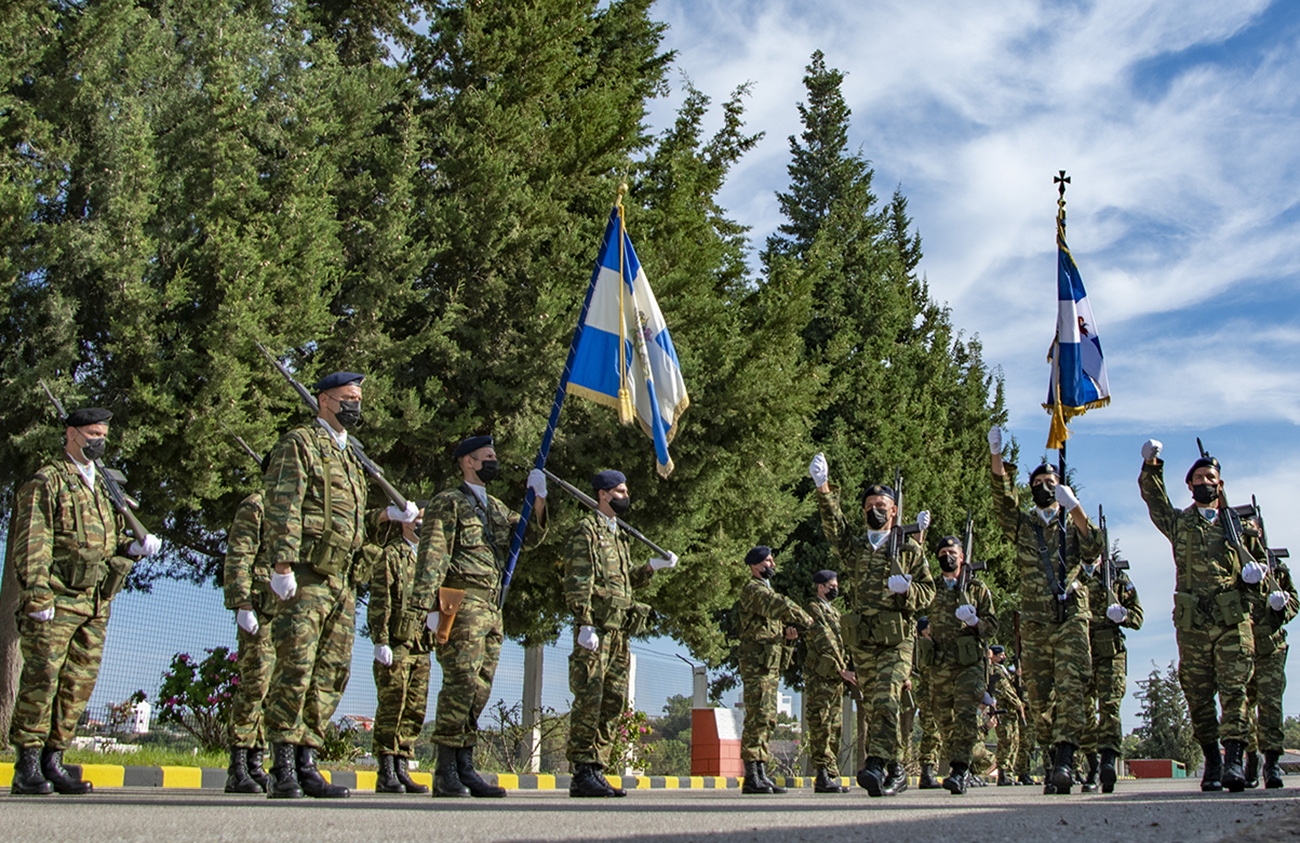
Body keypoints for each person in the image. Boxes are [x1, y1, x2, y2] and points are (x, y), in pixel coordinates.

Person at [261, 371, 418, 799]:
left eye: (359, 398)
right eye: (349, 397)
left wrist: (389, 518)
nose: (356, 405)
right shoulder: (301, 443)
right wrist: (282, 565)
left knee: (331, 673)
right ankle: (282, 766)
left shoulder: (351, 457)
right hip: (309, 575)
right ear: (325, 400)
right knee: (295, 667)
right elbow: (285, 507)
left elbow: (359, 527)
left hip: (343, 581)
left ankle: (307, 758)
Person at [8, 407, 162, 795]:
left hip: (95, 602)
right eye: (93, 433)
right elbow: (33, 540)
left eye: (104, 436)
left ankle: (54, 759)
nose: (99, 441)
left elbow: (106, 544)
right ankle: (26, 761)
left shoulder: (104, 486)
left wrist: (134, 546)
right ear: (72, 434)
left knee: (78, 684)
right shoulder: (48, 481)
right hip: (57, 598)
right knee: (42, 678)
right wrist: (37, 593)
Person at [411, 435, 547, 798]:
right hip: (462, 600)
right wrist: (427, 606)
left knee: (481, 687)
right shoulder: (449, 503)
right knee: (460, 684)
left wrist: (539, 499)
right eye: (487, 457)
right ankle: (444, 769)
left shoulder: (496, 507)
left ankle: (464, 764)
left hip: (491, 605)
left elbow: (529, 537)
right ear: (467, 462)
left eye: (494, 456)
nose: (493, 461)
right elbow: (433, 554)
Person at [1138, 439, 1264, 792]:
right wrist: (1151, 466)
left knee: (1235, 690)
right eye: (1199, 477)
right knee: (1197, 693)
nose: (1205, 482)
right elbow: (1155, 501)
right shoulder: (1180, 523)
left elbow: (1260, 575)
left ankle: (1235, 759)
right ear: (1189, 485)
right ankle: (1213, 759)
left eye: (1211, 477)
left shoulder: (1239, 527)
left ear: (1220, 485)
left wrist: (1256, 577)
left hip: (1230, 620)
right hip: (1193, 623)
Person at [811, 453, 935, 797]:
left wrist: (908, 590)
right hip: (864, 639)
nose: (874, 509)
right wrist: (823, 488)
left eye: (882, 504)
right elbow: (835, 531)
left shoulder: (909, 549)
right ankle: (896, 769)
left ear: (894, 511)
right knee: (875, 704)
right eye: (869, 505)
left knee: (885, 699)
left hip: (897, 639)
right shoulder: (857, 548)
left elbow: (929, 593)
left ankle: (877, 764)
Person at [988, 427, 1103, 794]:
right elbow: (1003, 502)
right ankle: (1055, 758)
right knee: (1038, 697)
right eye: (1037, 481)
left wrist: (1077, 508)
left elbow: (1094, 548)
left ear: (1060, 486)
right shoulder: (1024, 524)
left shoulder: (1071, 521)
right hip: (1035, 622)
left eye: (1050, 480)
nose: (1043, 485)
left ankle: (1068, 758)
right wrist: (996, 459)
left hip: (1070, 616)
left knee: (1072, 688)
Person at [563, 470, 677, 798]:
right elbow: (578, 581)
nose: (625, 496)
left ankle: (597, 767)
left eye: (626, 490)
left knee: (613, 701)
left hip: (619, 634)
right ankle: (582, 769)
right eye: (619, 491)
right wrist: (584, 623)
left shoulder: (618, 535)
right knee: (590, 698)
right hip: (595, 631)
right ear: (602, 494)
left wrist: (653, 567)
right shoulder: (587, 531)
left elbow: (624, 582)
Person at [737, 546, 813, 794]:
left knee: (767, 719)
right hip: (756, 667)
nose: (772, 565)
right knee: (757, 717)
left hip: (769, 667)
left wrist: (789, 643)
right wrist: (806, 618)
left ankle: (760, 771)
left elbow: (774, 640)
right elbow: (779, 605)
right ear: (755, 565)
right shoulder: (753, 590)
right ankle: (751, 775)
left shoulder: (767, 592)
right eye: (768, 561)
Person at [925, 535, 997, 795]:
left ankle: (959, 769)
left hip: (969, 663)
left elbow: (992, 627)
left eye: (952, 551)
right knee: (943, 718)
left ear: (962, 557)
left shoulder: (977, 588)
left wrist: (976, 622)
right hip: (940, 662)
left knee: (966, 715)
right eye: (943, 551)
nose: (948, 555)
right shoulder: (931, 587)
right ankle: (960, 760)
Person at [370, 501, 433, 794]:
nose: (421, 524)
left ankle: (403, 764)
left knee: (415, 707)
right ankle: (386, 769)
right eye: (418, 519)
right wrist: (380, 639)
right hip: (397, 642)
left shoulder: (430, 560)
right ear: (406, 522)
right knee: (392, 704)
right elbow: (381, 599)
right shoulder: (392, 555)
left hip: (422, 643)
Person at [221, 484, 274, 794]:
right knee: (255, 683)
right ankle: (238, 765)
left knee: (274, 691)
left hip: (285, 613)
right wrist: (242, 603)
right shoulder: (257, 505)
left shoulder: (293, 507)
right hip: (259, 610)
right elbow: (239, 554)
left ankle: (256, 763)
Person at [1240, 516, 1298, 789]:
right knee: (1242, 707)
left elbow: (1294, 602)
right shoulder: (1233, 563)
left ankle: (1272, 763)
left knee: (1271, 706)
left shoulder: (1276, 567)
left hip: (1271, 646)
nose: (1250, 532)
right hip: (1240, 647)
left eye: (1253, 527)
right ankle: (1251, 758)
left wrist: (1281, 606)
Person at [1079, 554, 1143, 793]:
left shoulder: (1117, 577)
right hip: (1079, 650)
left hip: (1110, 652)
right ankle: (1092, 765)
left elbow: (1138, 617)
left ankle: (1107, 761)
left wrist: (1123, 615)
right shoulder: (1070, 572)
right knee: (1082, 710)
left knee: (1110, 707)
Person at [803, 569, 854, 793]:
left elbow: (844, 641)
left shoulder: (834, 611)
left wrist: (850, 666)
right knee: (821, 724)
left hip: (835, 679)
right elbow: (825, 639)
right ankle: (822, 774)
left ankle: (832, 773)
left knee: (835, 726)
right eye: (831, 586)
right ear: (820, 587)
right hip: (821, 676)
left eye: (836, 585)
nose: (835, 589)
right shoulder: (812, 608)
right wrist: (842, 668)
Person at [986, 645, 1025, 786]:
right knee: (1006, 741)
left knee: (1014, 742)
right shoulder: (995, 670)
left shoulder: (1004, 671)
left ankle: (1009, 773)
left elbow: (1013, 686)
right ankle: (1003, 773)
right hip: (1004, 711)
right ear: (994, 656)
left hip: (1011, 711)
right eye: (1001, 655)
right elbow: (1006, 691)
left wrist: (1018, 677)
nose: (1004, 657)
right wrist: (1018, 704)